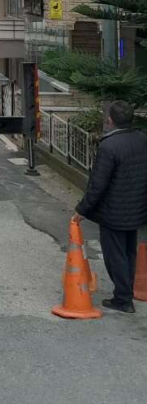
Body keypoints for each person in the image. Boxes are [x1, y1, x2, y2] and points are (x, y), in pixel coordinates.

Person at [75, 99, 147, 313]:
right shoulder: (142, 139)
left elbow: (98, 185)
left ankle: (123, 299)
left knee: (115, 256)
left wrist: (82, 210)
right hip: (136, 209)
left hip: (114, 212)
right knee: (129, 253)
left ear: (110, 120)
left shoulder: (108, 146)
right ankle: (126, 292)